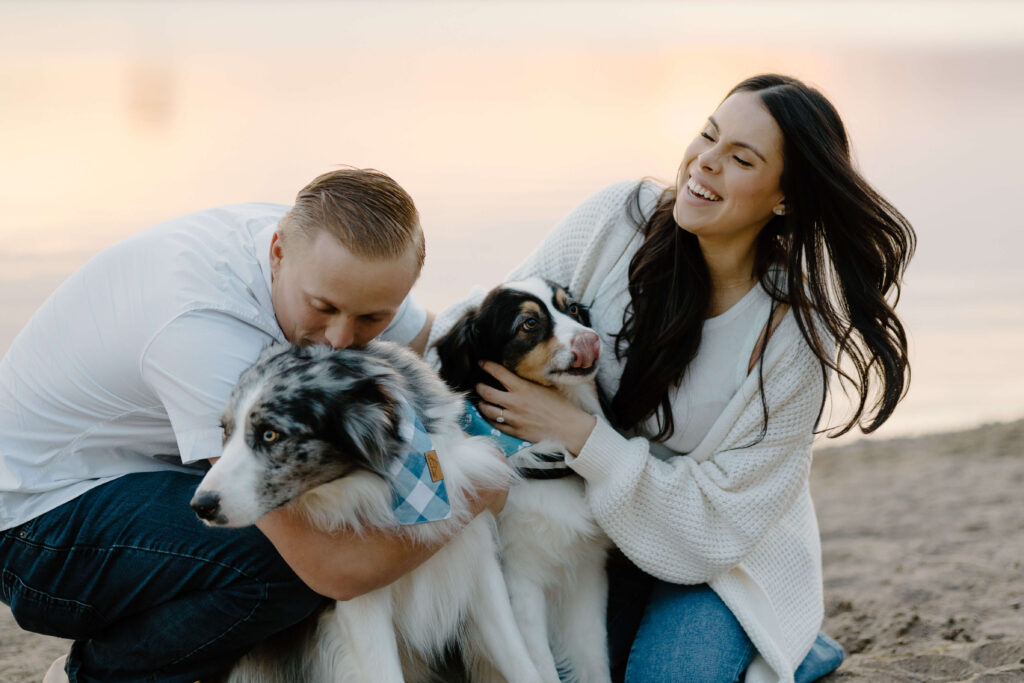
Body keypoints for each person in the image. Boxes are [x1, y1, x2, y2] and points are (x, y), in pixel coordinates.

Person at [428, 74, 915, 682]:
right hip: (593, 530)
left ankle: (790, 641)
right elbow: (488, 318)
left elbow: (715, 529)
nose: (704, 164)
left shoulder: (791, 345)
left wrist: (582, 436)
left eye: (740, 158)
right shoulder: (616, 221)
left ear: (784, 198)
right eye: (707, 136)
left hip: (719, 557)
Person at [0, 168, 503, 683]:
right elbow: (331, 570)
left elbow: (424, 360)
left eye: (372, 320)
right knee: (278, 558)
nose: (339, 340)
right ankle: (96, 674)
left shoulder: (340, 270)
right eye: (322, 308)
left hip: (138, 477)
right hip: (36, 530)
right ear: (279, 252)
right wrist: (481, 485)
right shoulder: (206, 332)